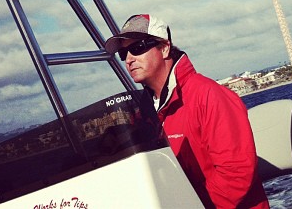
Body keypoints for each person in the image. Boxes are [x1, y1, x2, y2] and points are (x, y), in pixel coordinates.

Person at [105, 14, 269, 209]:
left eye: (137, 48)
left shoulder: (208, 95)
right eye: (123, 54)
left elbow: (236, 173)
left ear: (164, 48)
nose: (129, 59)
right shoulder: (144, 111)